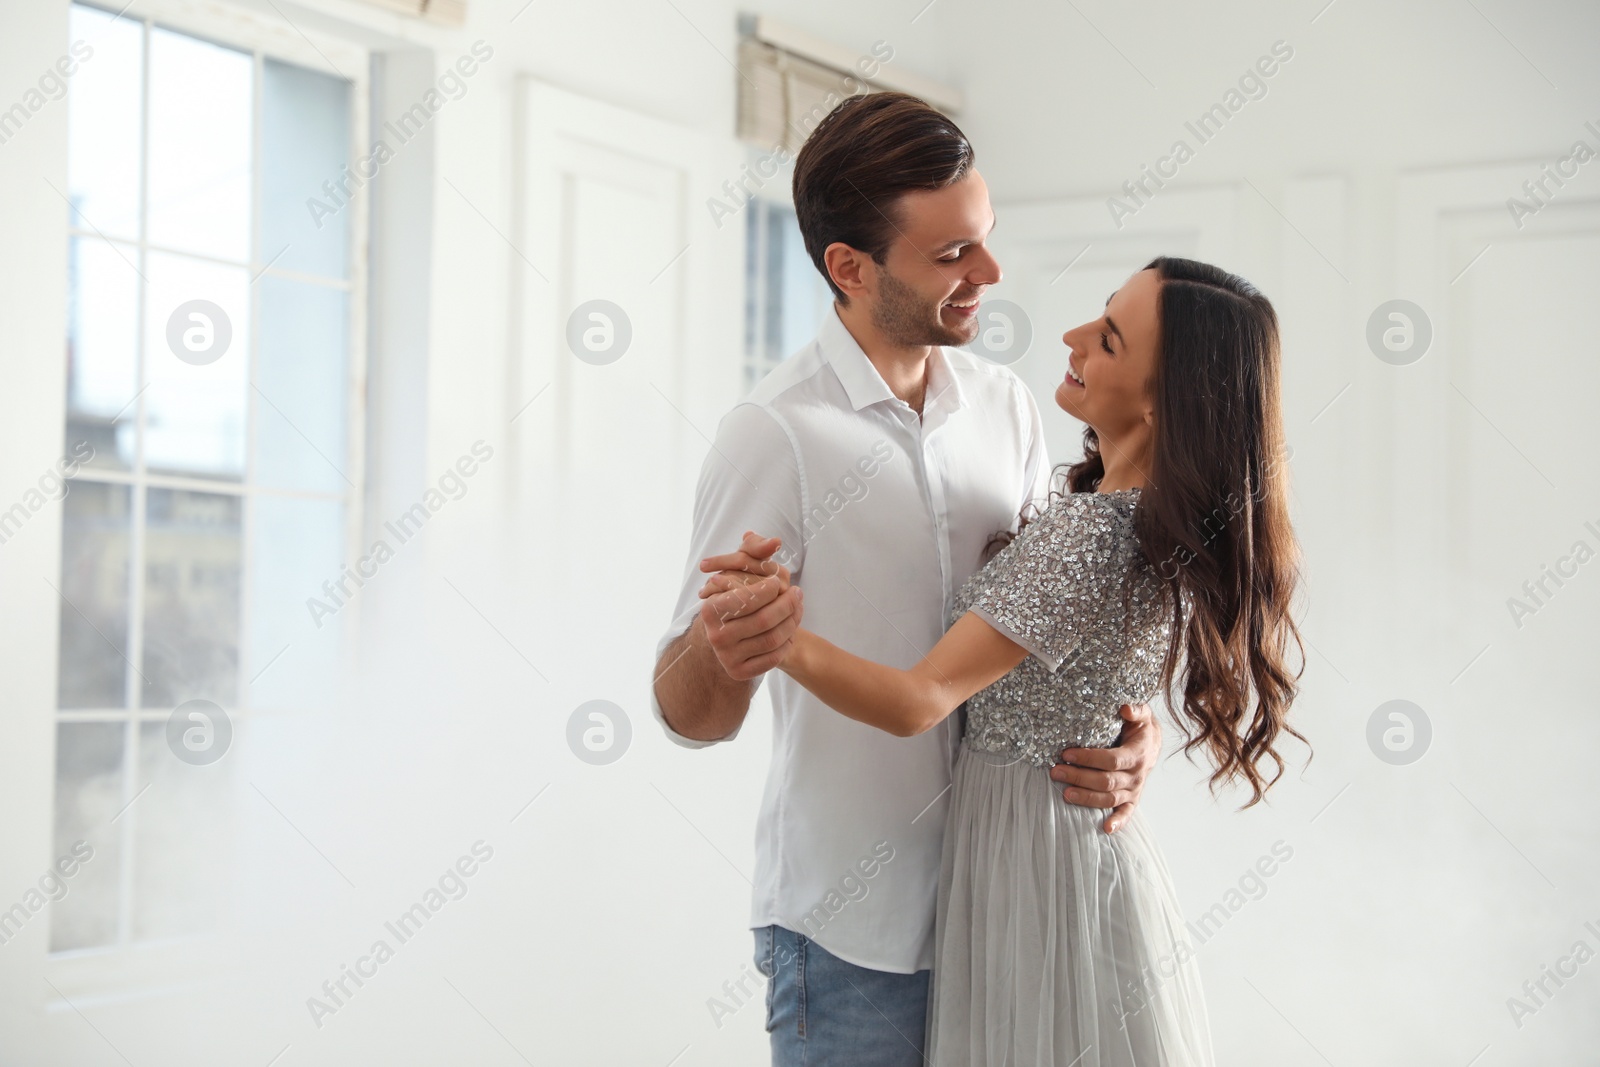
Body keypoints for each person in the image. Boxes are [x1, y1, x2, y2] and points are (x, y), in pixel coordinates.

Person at [650, 92, 1164, 1066]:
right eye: (950, 255)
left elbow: (1046, 623)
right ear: (849, 267)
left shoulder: (1006, 407)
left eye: (985, 240)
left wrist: (1133, 735)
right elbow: (688, 714)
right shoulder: (776, 433)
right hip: (853, 940)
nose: (992, 274)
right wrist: (735, 645)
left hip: (1007, 910)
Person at [702, 256, 1305, 1065]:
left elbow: (921, 698)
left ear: (1164, 401)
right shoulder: (1133, 525)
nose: (1073, 336)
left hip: (1035, 867)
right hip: (1045, 856)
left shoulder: (1088, 534)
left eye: (1110, 339)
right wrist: (1135, 729)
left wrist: (777, 634)